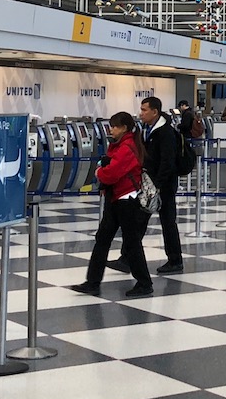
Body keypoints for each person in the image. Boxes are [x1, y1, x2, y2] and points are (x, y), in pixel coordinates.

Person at [72, 112, 153, 298]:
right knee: (102, 239)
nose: (111, 129)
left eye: (115, 126)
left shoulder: (128, 147)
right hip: (115, 197)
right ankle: (92, 281)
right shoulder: (119, 145)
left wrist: (100, 171)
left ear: (124, 128)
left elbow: (112, 173)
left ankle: (144, 283)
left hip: (126, 199)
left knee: (131, 242)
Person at [138, 96, 184, 275]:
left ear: (155, 112)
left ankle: (175, 260)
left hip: (163, 185)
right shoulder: (148, 129)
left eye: (144, 110)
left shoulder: (165, 132)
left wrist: (158, 184)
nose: (141, 113)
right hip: (150, 183)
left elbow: (167, 161)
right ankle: (127, 256)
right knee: (140, 219)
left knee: (167, 221)